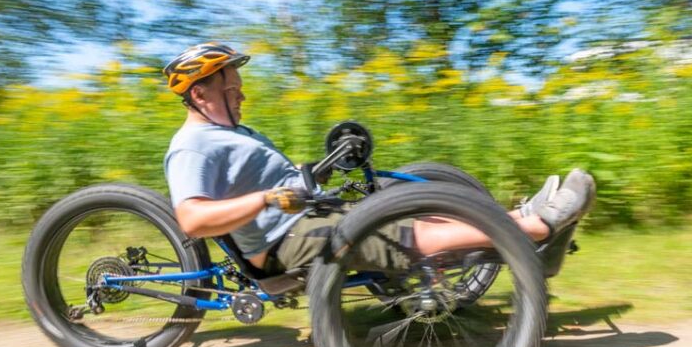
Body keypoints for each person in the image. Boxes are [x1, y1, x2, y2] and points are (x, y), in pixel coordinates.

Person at [163, 42, 595, 279]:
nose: (241, 94)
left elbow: (285, 183)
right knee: (400, 230)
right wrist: (267, 200)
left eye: (238, 86)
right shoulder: (193, 146)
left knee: (407, 196)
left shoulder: (231, 133)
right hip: (283, 240)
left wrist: (322, 169)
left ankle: (517, 220)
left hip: (305, 213)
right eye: (230, 89)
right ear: (199, 94)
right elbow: (192, 219)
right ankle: (536, 228)